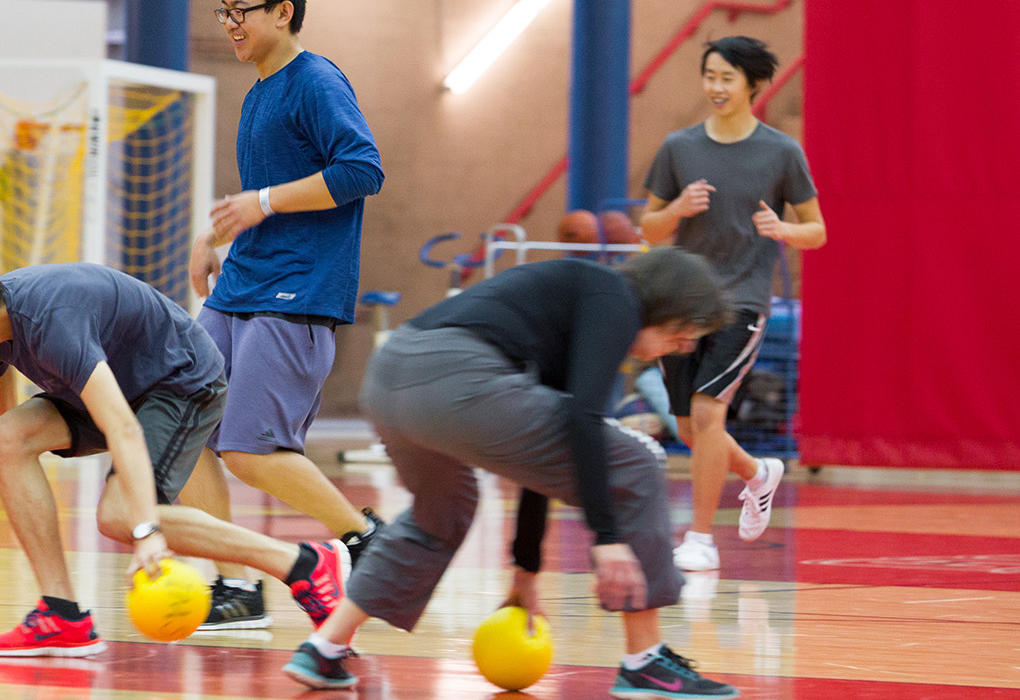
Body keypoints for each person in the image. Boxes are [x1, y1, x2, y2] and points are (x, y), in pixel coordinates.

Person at [280, 248, 742, 699]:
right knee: (636, 462)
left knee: (440, 514)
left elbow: (545, 456)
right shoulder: (616, 298)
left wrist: (526, 569)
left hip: (390, 377)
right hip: (456, 376)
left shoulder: (581, 302)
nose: (683, 348)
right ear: (664, 305)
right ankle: (645, 660)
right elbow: (583, 421)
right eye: (682, 336)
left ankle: (324, 647)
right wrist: (608, 537)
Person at [0, 239, 350, 657]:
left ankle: (304, 563)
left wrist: (147, 534)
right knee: (8, 434)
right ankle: (61, 614)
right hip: (118, 390)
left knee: (119, 516)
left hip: (181, 382)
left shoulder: (49, 321)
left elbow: (123, 428)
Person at [184, 0, 386, 631]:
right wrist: (216, 235)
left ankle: (365, 540)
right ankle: (236, 587)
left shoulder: (318, 81)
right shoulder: (258, 93)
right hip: (242, 282)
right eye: (222, 12)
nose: (231, 23)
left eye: (241, 9)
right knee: (180, 417)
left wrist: (262, 203)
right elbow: (261, 203)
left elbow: (362, 170)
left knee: (248, 449)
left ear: (283, 10)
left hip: (299, 288)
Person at [639, 36, 827, 572]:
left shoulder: (781, 152)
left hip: (741, 302)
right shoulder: (679, 147)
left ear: (752, 85)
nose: (715, 87)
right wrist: (677, 207)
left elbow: (818, 231)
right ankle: (756, 473)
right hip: (683, 302)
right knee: (687, 427)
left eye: (726, 78)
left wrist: (783, 228)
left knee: (707, 413)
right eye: (710, 76)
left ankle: (699, 537)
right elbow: (649, 230)